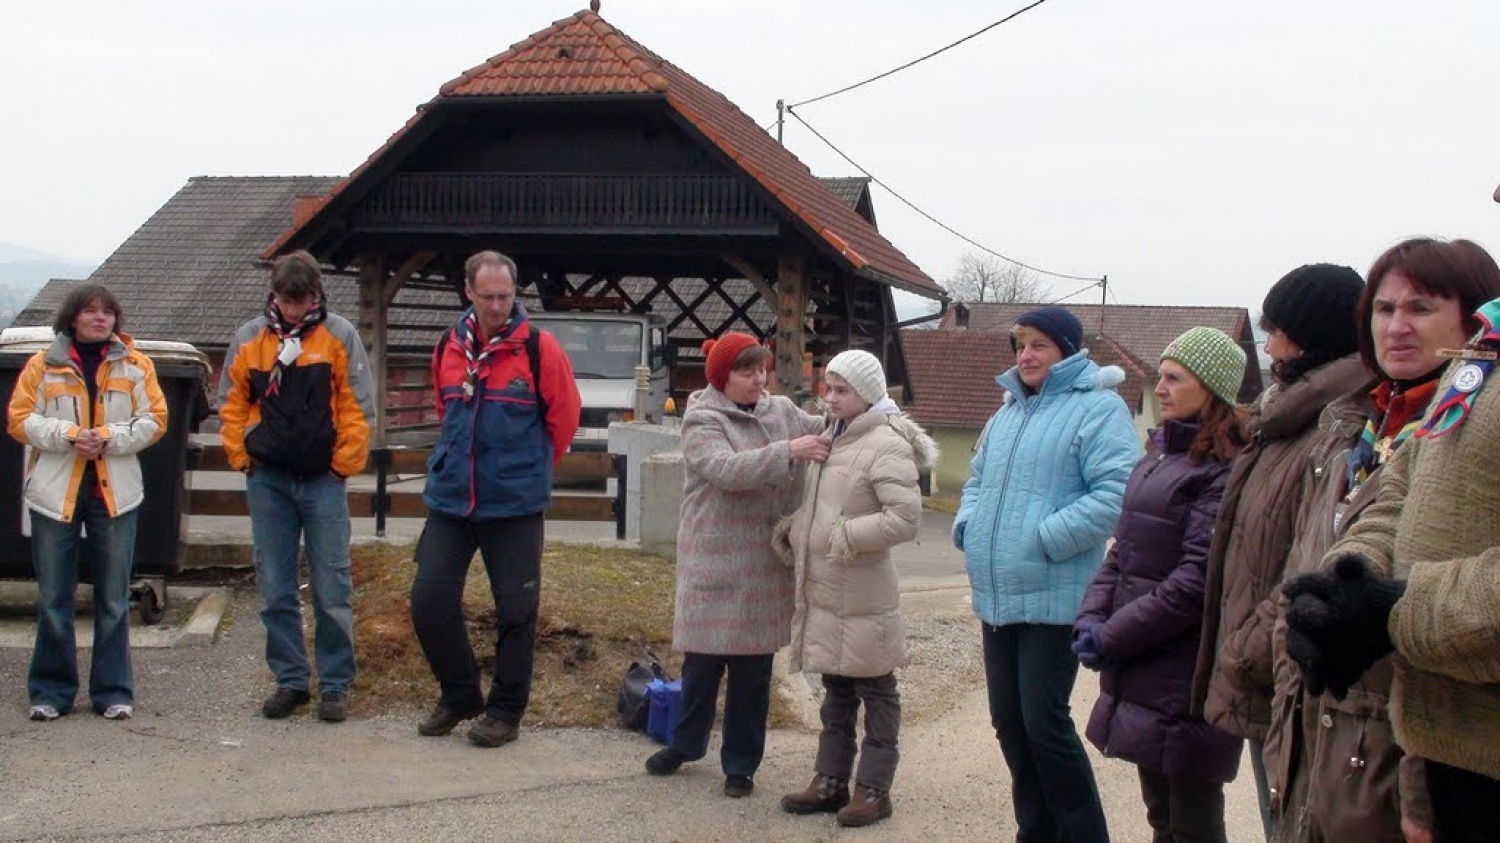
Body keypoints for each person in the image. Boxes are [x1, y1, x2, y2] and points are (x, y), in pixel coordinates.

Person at [1265, 239, 1500, 843]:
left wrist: (1391, 607)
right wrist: (1345, 586)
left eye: (1420, 309)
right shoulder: (1480, 365)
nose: (1396, 327)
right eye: (1383, 308)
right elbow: (1396, 495)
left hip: (1435, 745)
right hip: (1430, 749)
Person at [1190, 263, 1365, 841]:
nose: (1267, 347)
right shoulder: (1286, 418)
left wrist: (1246, 648)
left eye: (1278, 331)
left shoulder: (1335, 426)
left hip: (1286, 663)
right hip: (1268, 663)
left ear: (1313, 335)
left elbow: (1313, 558)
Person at [954, 305, 1140, 843]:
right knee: (1010, 726)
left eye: (1039, 344)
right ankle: (1035, 832)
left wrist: (1044, 537)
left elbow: (1116, 494)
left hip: (1054, 596)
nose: (1027, 355)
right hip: (996, 596)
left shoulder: (1098, 409)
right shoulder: (1008, 411)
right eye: (1020, 344)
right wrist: (969, 524)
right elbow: (977, 481)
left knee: (1045, 726)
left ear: (1066, 348)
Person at [1075, 327, 1248, 843]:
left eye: (1175, 378)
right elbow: (1120, 556)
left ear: (1211, 389)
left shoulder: (1222, 469)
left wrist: (1114, 635)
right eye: (1160, 378)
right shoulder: (1157, 457)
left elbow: (1197, 581)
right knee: (1161, 813)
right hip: (1147, 661)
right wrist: (1091, 617)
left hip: (1186, 670)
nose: (1162, 389)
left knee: (1192, 818)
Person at [644, 330, 827, 798]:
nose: (758, 379)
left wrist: (857, 407)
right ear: (722, 377)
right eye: (747, 372)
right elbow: (727, 470)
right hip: (713, 563)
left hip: (765, 566)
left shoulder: (782, 410)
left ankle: (741, 766)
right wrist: (787, 451)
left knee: (753, 676)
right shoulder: (701, 420)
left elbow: (825, 428)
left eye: (761, 370)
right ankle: (685, 745)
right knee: (701, 670)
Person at [409, 250, 581, 748]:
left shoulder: (539, 350)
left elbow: (563, 420)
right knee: (429, 602)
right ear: (468, 291)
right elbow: (447, 411)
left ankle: (506, 711)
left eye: (505, 296)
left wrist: (527, 472)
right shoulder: (448, 345)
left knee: (516, 611)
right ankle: (460, 692)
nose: (497, 306)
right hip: (451, 500)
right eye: (487, 297)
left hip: (514, 505)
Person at [772, 349, 937, 828]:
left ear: (867, 394)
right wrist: (797, 529)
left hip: (864, 593)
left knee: (877, 690)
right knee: (836, 689)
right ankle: (829, 781)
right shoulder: (832, 435)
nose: (831, 397)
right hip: (829, 589)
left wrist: (844, 537)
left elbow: (906, 519)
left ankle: (874, 788)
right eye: (829, 387)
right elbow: (828, 507)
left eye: (842, 390)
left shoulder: (885, 443)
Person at [219, 250, 374, 723]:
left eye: (304, 301)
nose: (295, 310)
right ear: (275, 295)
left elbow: (357, 406)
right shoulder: (249, 337)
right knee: (276, 587)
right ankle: (290, 680)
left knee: (332, 585)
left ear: (317, 296)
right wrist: (243, 457)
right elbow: (231, 403)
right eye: (289, 301)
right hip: (268, 480)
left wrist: (342, 466)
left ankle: (335, 684)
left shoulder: (340, 335)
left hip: (323, 480)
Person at [8, 285, 167, 722]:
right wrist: (69, 436)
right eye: (91, 311)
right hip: (55, 493)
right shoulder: (42, 366)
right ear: (72, 318)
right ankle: (51, 692)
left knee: (114, 598)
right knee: (54, 598)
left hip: (114, 494)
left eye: (108, 312)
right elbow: (20, 420)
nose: (101, 319)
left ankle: (113, 691)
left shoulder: (138, 366)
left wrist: (109, 439)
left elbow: (155, 421)